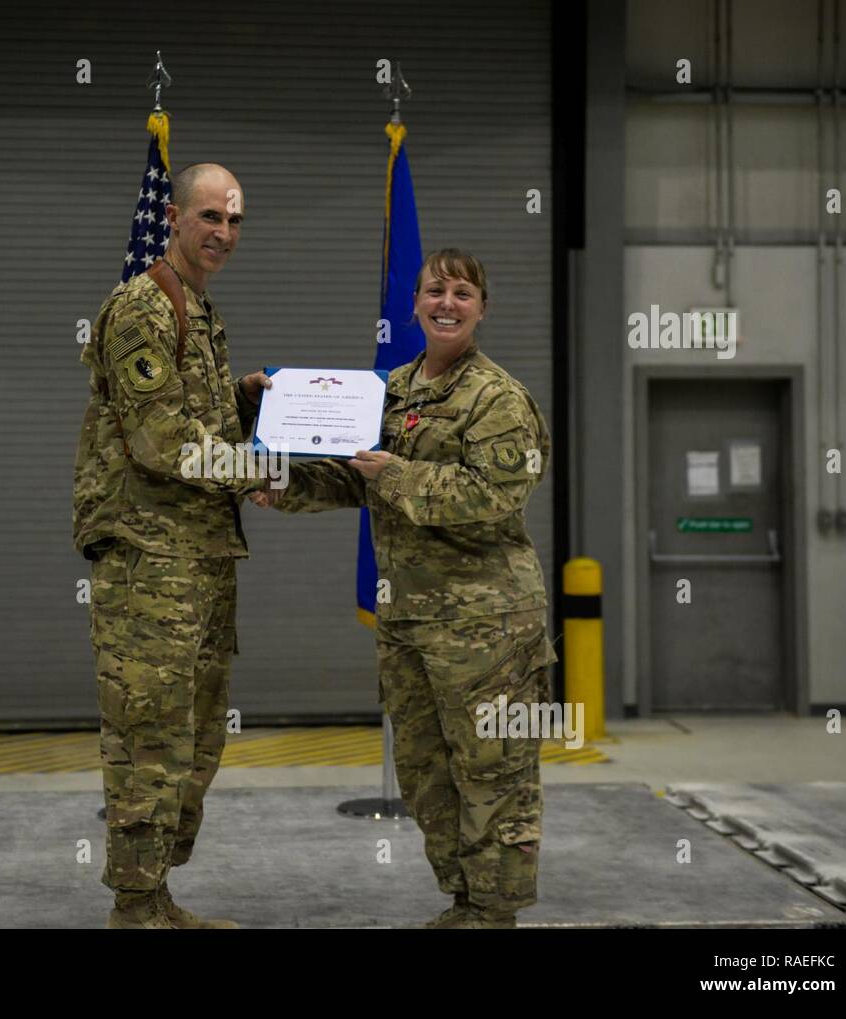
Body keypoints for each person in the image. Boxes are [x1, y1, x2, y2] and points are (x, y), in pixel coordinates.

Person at [253, 248, 555, 929]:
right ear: (415, 304)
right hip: (410, 620)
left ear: (481, 307)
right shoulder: (389, 389)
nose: (447, 302)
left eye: (462, 292)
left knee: (494, 773)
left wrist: (396, 475)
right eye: (435, 290)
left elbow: (495, 492)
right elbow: (349, 473)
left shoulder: (497, 398)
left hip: (489, 625)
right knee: (424, 772)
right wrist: (283, 482)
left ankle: (495, 911)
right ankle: (465, 900)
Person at [73, 162, 271, 929]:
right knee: (149, 735)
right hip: (149, 562)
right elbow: (160, 441)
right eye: (210, 217)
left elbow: (198, 428)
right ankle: (135, 905)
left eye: (235, 220)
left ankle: (155, 894)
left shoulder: (200, 312)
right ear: (175, 219)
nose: (223, 232)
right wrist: (256, 466)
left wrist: (247, 405)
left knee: (194, 738)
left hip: (202, 557)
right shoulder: (142, 309)